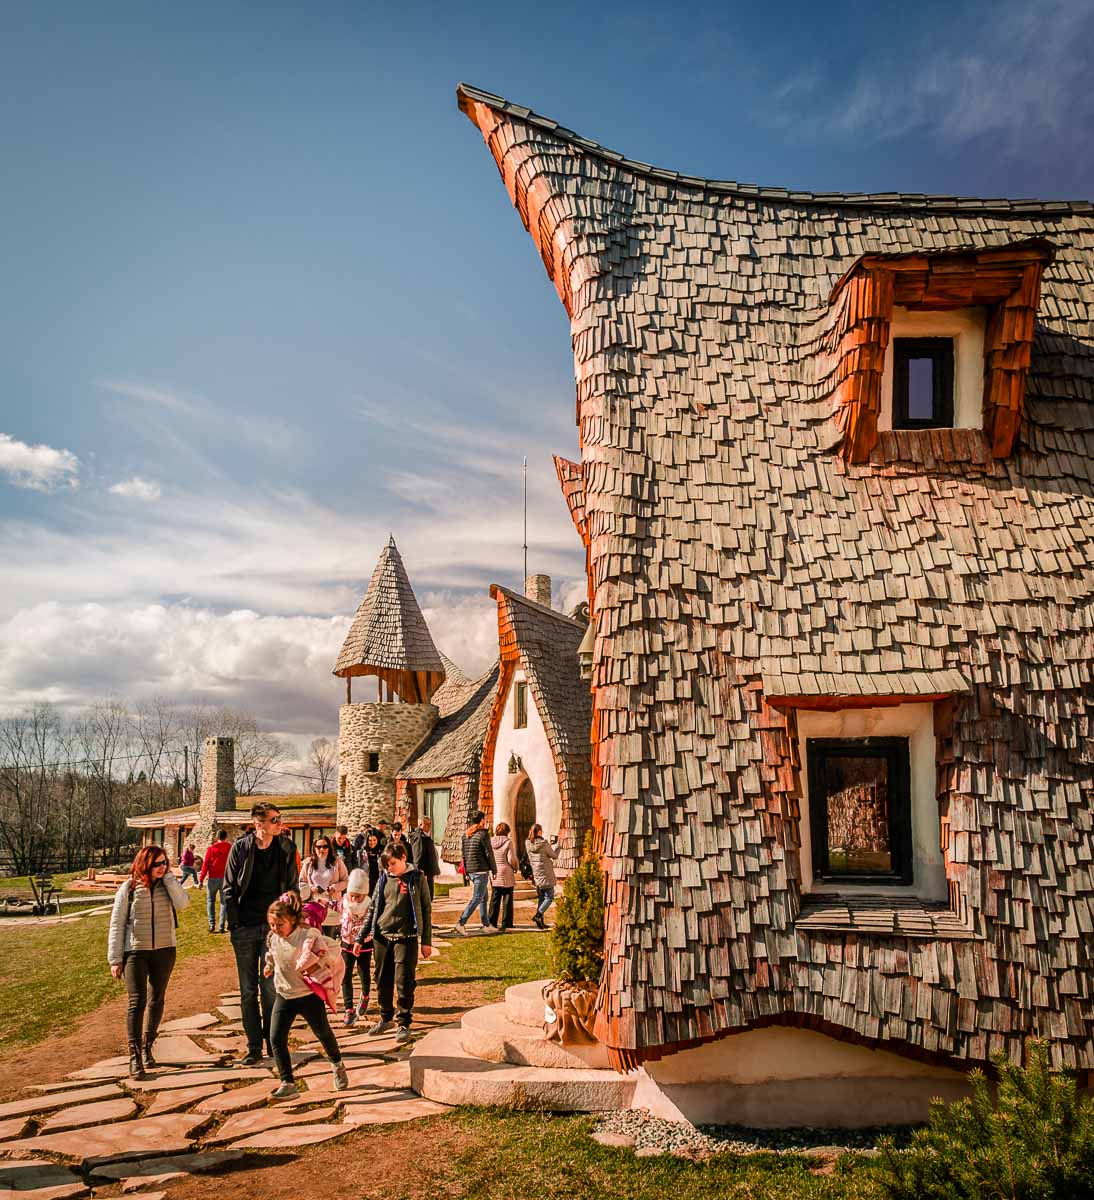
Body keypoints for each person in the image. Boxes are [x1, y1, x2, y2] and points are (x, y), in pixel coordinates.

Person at [222, 802, 300, 1066]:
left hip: (272, 930)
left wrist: (289, 910)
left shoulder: (287, 848)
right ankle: (253, 1046)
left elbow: (292, 886)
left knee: (270, 988)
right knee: (247, 991)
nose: (280, 823)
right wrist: (235, 924)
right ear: (259, 824)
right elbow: (229, 887)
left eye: (279, 819)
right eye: (274, 820)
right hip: (244, 927)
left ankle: (272, 1043)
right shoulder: (241, 849)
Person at [108, 845, 190, 1079]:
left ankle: (147, 1047)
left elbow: (184, 904)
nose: (162, 867)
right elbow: (117, 923)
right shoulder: (129, 888)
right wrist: (115, 959)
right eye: (157, 864)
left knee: (157, 999)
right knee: (137, 1001)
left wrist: (170, 879)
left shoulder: (168, 885)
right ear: (145, 863)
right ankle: (134, 1056)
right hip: (135, 951)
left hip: (164, 949)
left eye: (164, 863)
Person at [263, 891, 349, 1099]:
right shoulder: (274, 938)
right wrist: (269, 965)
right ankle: (288, 1083)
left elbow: (332, 948)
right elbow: (272, 954)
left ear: (292, 920)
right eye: (272, 925)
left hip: (308, 995)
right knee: (276, 1038)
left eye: (279, 924)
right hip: (284, 995)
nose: (275, 929)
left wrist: (320, 963)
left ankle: (337, 1063)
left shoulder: (307, 935)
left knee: (323, 1032)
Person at [354, 842, 432, 1046]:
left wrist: (426, 941)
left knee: (404, 980)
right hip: (382, 937)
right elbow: (373, 909)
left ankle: (403, 1022)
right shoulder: (383, 880)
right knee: (381, 979)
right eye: (387, 865)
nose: (390, 868)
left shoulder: (417, 878)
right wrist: (360, 937)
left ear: (404, 858)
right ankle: (386, 1017)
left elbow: (425, 909)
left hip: (406, 937)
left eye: (393, 864)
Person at [455, 810, 497, 936]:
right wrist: (494, 869)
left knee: (484, 897)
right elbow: (489, 853)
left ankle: (486, 924)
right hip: (480, 870)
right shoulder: (483, 834)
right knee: (477, 898)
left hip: (472, 870)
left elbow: (464, 855)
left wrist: (466, 872)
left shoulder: (465, 835)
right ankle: (461, 923)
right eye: (484, 819)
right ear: (481, 820)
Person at [339, 867, 372, 1027]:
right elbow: (335, 906)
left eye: (358, 896)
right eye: (352, 895)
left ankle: (365, 995)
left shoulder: (368, 906)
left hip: (364, 943)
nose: (354, 899)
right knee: (345, 975)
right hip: (346, 942)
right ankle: (348, 1008)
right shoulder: (345, 902)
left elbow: (371, 923)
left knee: (363, 971)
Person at [299, 836, 349, 936]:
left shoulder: (337, 862)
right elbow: (301, 882)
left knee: (329, 938)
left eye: (325, 846)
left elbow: (346, 881)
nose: (322, 849)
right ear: (314, 848)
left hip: (331, 905)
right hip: (312, 906)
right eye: (318, 847)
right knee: (313, 937)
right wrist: (310, 888)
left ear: (329, 848)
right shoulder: (308, 863)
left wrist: (334, 887)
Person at [526, 824, 560, 930]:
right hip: (546, 874)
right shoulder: (544, 843)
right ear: (539, 832)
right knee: (549, 897)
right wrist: (558, 847)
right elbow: (554, 856)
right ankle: (538, 915)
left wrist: (548, 845)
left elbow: (539, 851)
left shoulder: (528, 843)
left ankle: (540, 922)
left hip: (537, 874)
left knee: (541, 897)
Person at [199, 830, 231, 933]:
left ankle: (211, 925)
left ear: (217, 838)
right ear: (226, 837)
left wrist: (201, 879)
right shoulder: (230, 848)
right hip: (225, 879)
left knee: (210, 901)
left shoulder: (211, 849)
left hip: (212, 878)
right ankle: (221, 926)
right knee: (224, 902)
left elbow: (206, 864)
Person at [488, 821, 518, 931]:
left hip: (495, 871)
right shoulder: (508, 842)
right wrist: (515, 867)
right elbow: (511, 859)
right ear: (507, 832)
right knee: (507, 898)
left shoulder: (490, 842)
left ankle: (491, 922)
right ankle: (507, 922)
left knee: (495, 898)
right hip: (506, 871)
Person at [408, 817, 441, 898]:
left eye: (430, 824)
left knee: (429, 892)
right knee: (426, 893)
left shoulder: (425, 836)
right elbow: (417, 854)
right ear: (420, 825)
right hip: (424, 870)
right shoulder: (419, 837)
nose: (429, 826)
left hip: (429, 869)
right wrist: (418, 869)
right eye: (427, 824)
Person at [359, 829, 383, 896]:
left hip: (379, 881)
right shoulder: (361, 852)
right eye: (370, 840)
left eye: (374, 840)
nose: (372, 842)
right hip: (366, 881)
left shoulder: (381, 852)